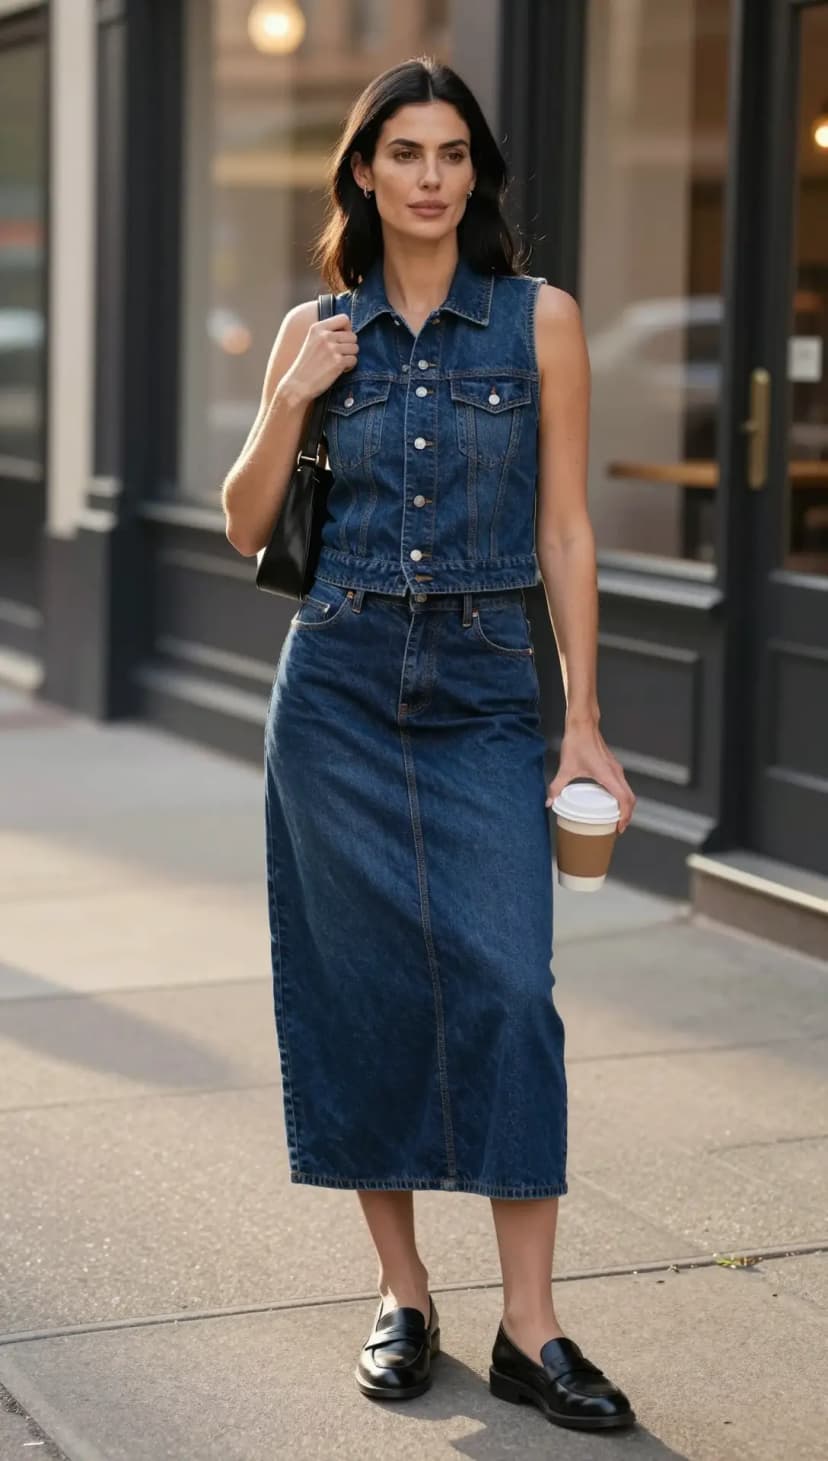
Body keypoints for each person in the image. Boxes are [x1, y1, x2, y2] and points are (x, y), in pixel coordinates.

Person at [222, 56, 636, 1435]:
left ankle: (534, 1325)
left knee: (513, 985)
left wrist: (583, 717)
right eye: (404, 153)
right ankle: (402, 1291)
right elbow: (242, 523)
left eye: (453, 154)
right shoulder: (314, 326)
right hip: (336, 682)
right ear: (363, 173)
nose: (431, 177)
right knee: (362, 996)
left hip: (481, 687)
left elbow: (566, 531)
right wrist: (294, 392)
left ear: (478, 175)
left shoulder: (539, 322)